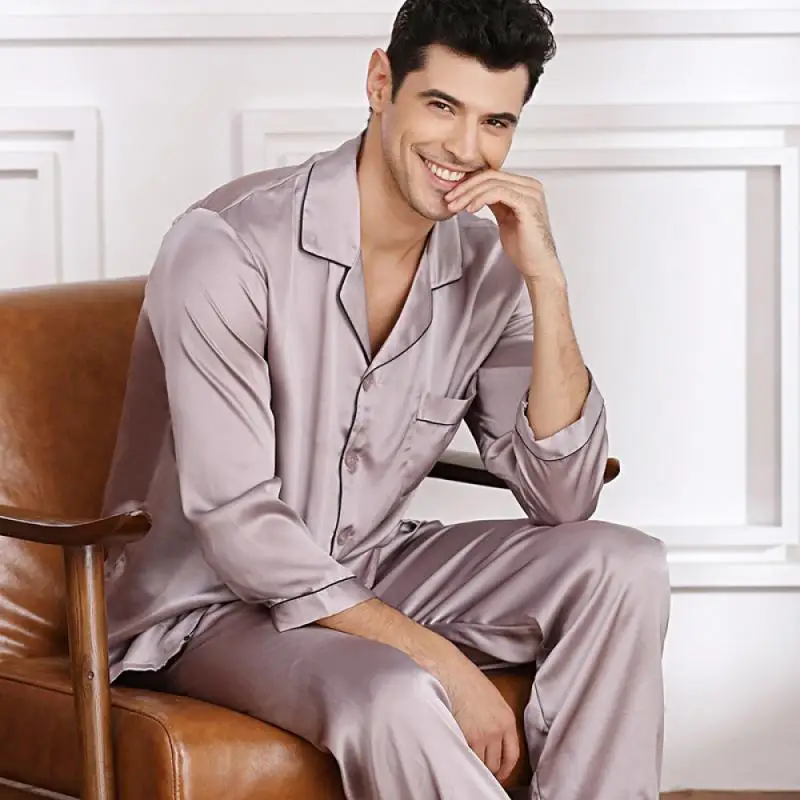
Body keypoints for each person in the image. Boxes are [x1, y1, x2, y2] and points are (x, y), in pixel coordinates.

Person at [102, 0, 671, 797]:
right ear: (380, 84)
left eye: (495, 122)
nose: (465, 149)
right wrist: (435, 657)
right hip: (205, 608)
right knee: (395, 692)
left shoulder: (491, 266)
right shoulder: (226, 247)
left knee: (625, 566)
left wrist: (547, 282)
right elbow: (236, 524)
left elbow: (564, 496)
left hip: (367, 567)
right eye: (441, 105)